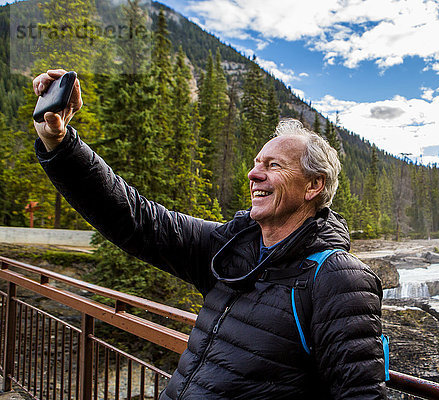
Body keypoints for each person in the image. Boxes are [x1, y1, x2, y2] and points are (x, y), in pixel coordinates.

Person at [33, 69, 386, 399]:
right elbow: (136, 219)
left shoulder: (338, 278)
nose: (253, 174)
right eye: (256, 163)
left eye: (273, 165)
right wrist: (61, 143)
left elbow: (361, 394)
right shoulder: (230, 249)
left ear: (313, 186)